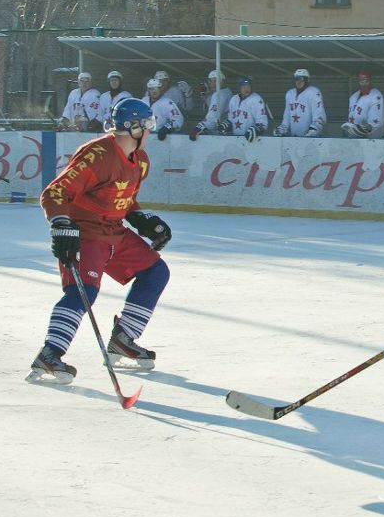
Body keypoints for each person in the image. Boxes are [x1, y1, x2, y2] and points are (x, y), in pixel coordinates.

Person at [27, 97, 173, 383]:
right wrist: (61, 225)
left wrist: (142, 220)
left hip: (113, 231)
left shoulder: (140, 161)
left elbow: (124, 198)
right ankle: (50, 354)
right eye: (147, 126)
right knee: (84, 292)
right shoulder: (97, 155)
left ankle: (123, 338)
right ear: (134, 129)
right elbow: (55, 194)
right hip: (85, 233)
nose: (149, 133)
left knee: (155, 272)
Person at [273, 68, 326, 137]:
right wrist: (282, 128)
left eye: (302, 79)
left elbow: (319, 115)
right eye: (297, 79)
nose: (299, 82)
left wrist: (314, 129)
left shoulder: (314, 92)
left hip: (312, 139)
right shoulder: (290, 94)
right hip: (294, 137)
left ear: (307, 80)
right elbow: (287, 115)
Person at [341, 69, 384, 138]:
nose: (364, 82)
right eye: (362, 80)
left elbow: (375, 124)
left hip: (371, 140)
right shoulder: (353, 97)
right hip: (352, 138)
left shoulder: (376, 96)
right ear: (358, 81)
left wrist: (360, 129)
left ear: (370, 80)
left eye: (366, 80)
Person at [191, 70, 232, 139]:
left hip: (220, 134)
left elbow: (213, 117)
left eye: (215, 81)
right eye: (210, 81)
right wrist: (205, 97)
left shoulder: (219, 95)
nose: (212, 83)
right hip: (226, 131)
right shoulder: (227, 91)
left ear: (222, 81)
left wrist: (200, 127)